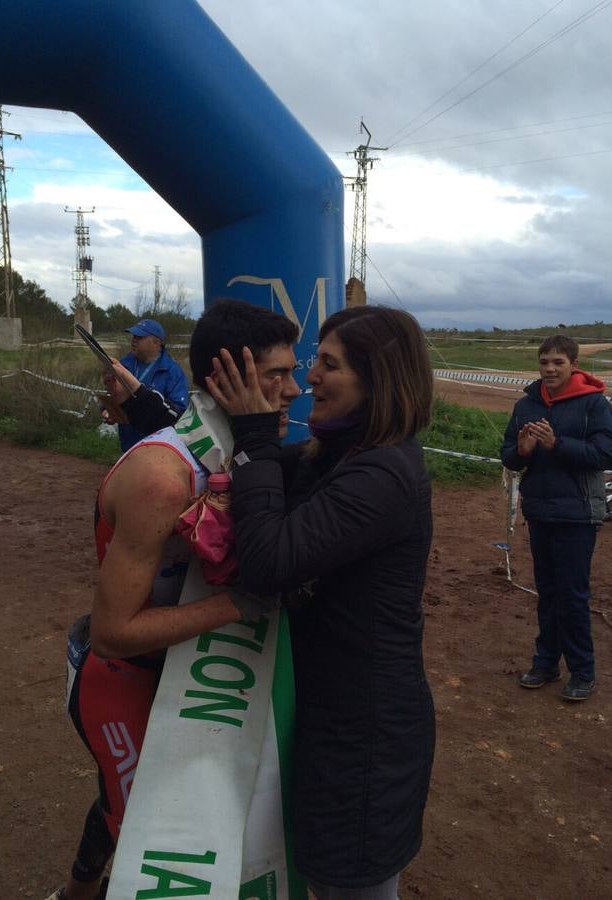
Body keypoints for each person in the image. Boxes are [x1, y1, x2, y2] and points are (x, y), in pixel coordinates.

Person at [46, 301, 300, 900]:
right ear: (227, 379)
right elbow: (113, 631)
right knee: (151, 831)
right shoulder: (164, 477)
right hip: (123, 677)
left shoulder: (230, 447)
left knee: (132, 804)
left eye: (295, 372)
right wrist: (240, 605)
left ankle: (77, 892)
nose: (295, 389)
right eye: (277, 375)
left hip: (184, 674)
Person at [207, 305, 436, 900]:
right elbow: (269, 478)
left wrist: (255, 436)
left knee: (349, 875)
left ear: (377, 379)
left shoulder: (384, 473)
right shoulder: (339, 452)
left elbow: (268, 563)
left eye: (328, 366)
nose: (309, 379)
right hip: (335, 711)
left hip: (366, 734)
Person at [501, 335, 612, 703]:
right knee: (547, 593)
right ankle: (546, 663)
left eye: (558, 363)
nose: (549, 369)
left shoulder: (594, 405)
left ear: (573, 364)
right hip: (539, 511)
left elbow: (605, 455)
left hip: (577, 514)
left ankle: (583, 671)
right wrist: (521, 451)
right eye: (544, 362)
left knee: (572, 595)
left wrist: (558, 445)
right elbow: (509, 455)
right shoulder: (526, 405)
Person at [103, 318, 189, 452]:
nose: (134, 340)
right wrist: (108, 409)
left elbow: (179, 413)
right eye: (134, 336)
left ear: (156, 343)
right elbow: (112, 393)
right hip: (128, 446)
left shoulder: (173, 372)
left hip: (158, 449)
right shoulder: (124, 364)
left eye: (140, 337)